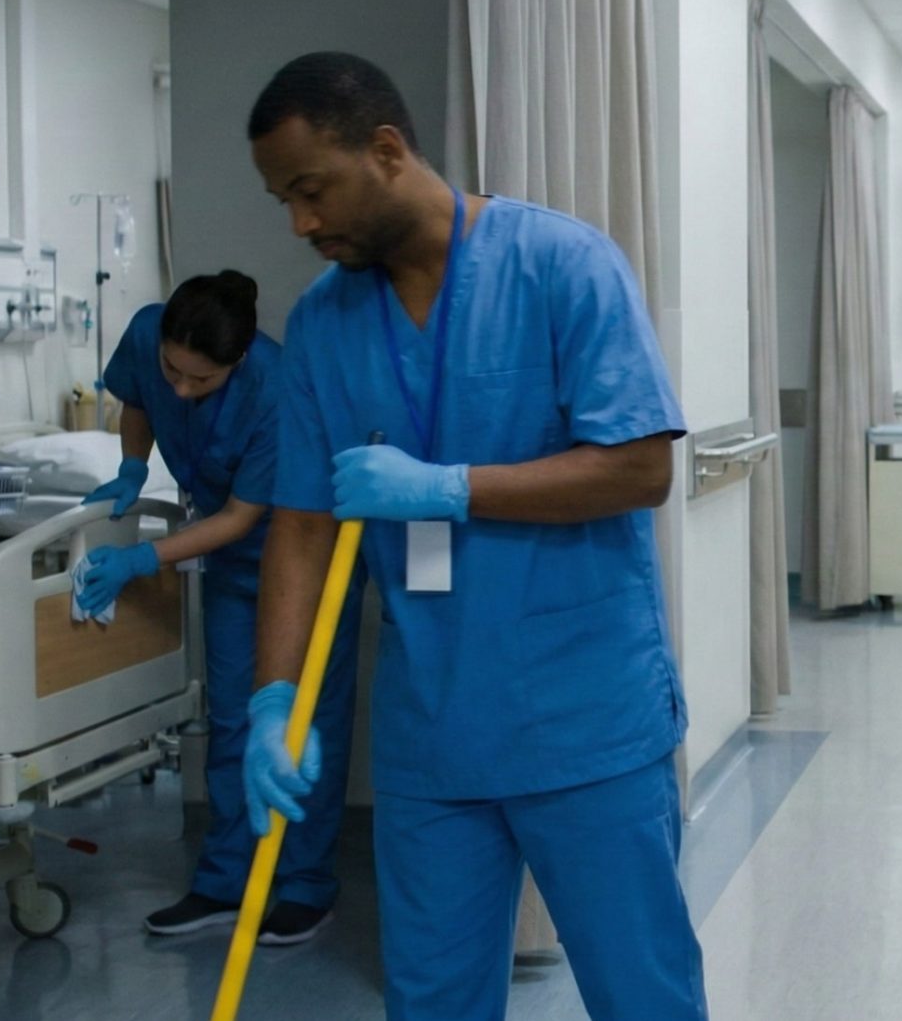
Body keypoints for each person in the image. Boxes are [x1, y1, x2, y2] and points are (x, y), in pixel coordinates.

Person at [238, 52, 705, 1020]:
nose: (301, 224)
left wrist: (449, 488)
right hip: (432, 732)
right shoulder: (323, 324)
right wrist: (274, 700)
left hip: (585, 718)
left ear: (387, 149)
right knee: (432, 1000)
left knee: (641, 993)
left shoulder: (563, 265)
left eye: (312, 190)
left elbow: (639, 468)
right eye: (284, 200)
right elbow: (303, 525)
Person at [77, 270, 358, 946]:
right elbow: (137, 397)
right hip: (233, 567)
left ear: (238, 361)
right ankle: (225, 880)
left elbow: (239, 516)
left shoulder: (274, 387)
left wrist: (144, 559)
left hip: (305, 555)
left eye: (200, 380)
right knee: (232, 718)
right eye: (172, 369)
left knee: (303, 723)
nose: (180, 388)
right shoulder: (148, 332)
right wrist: (133, 464)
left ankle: (305, 885)